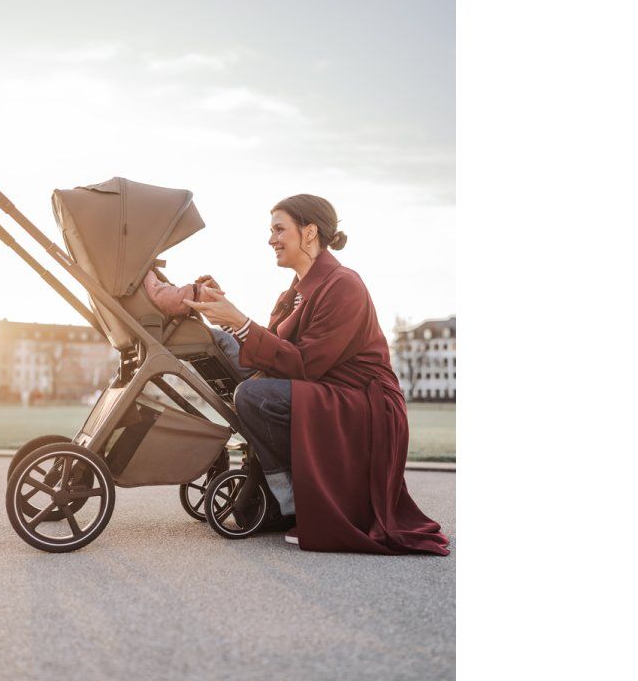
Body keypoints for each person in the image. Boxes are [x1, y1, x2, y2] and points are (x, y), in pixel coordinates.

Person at [183, 194, 449, 555]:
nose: (271, 239)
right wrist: (226, 316)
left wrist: (240, 321)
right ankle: (279, 496)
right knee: (215, 342)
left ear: (309, 233)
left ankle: (294, 504)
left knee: (253, 395)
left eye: (279, 229)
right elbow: (269, 353)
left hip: (363, 404)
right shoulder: (292, 293)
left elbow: (306, 365)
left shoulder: (344, 285)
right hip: (325, 390)